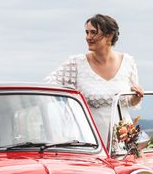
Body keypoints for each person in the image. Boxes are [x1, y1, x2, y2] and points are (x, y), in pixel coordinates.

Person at [45, 14, 144, 145]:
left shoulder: (128, 62)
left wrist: (136, 97)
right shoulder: (77, 63)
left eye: (94, 33)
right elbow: (49, 85)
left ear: (109, 35)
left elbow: (130, 102)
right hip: (89, 136)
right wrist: (71, 105)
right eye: (87, 32)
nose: (88, 37)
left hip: (122, 136)